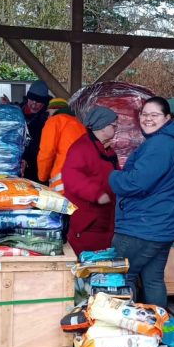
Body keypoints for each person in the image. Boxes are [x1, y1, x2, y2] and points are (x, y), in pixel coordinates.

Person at [109, 96, 174, 308]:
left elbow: (136, 183)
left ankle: (125, 324)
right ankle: (158, 324)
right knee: (152, 278)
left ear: (167, 118)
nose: (148, 119)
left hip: (144, 226)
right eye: (144, 114)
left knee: (119, 276)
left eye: (154, 115)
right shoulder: (171, 142)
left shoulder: (160, 145)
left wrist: (113, 176)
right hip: (162, 224)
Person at [62, 106, 118, 255]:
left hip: (104, 218)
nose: (116, 129)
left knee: (101, 260)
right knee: (87, 260)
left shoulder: (107, 150)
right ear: (103, 127)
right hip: (87, 220)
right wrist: (97, 194)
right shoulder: (81, 148)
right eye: (113, 125)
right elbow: (71, 176)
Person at [37, 99, 86, 190]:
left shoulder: (54, 121)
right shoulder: (80, 124)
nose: (48, 116)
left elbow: (46, 152)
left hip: (62, 182)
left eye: (48, 112)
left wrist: (42, 178)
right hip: (82, 181)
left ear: (55, 109)